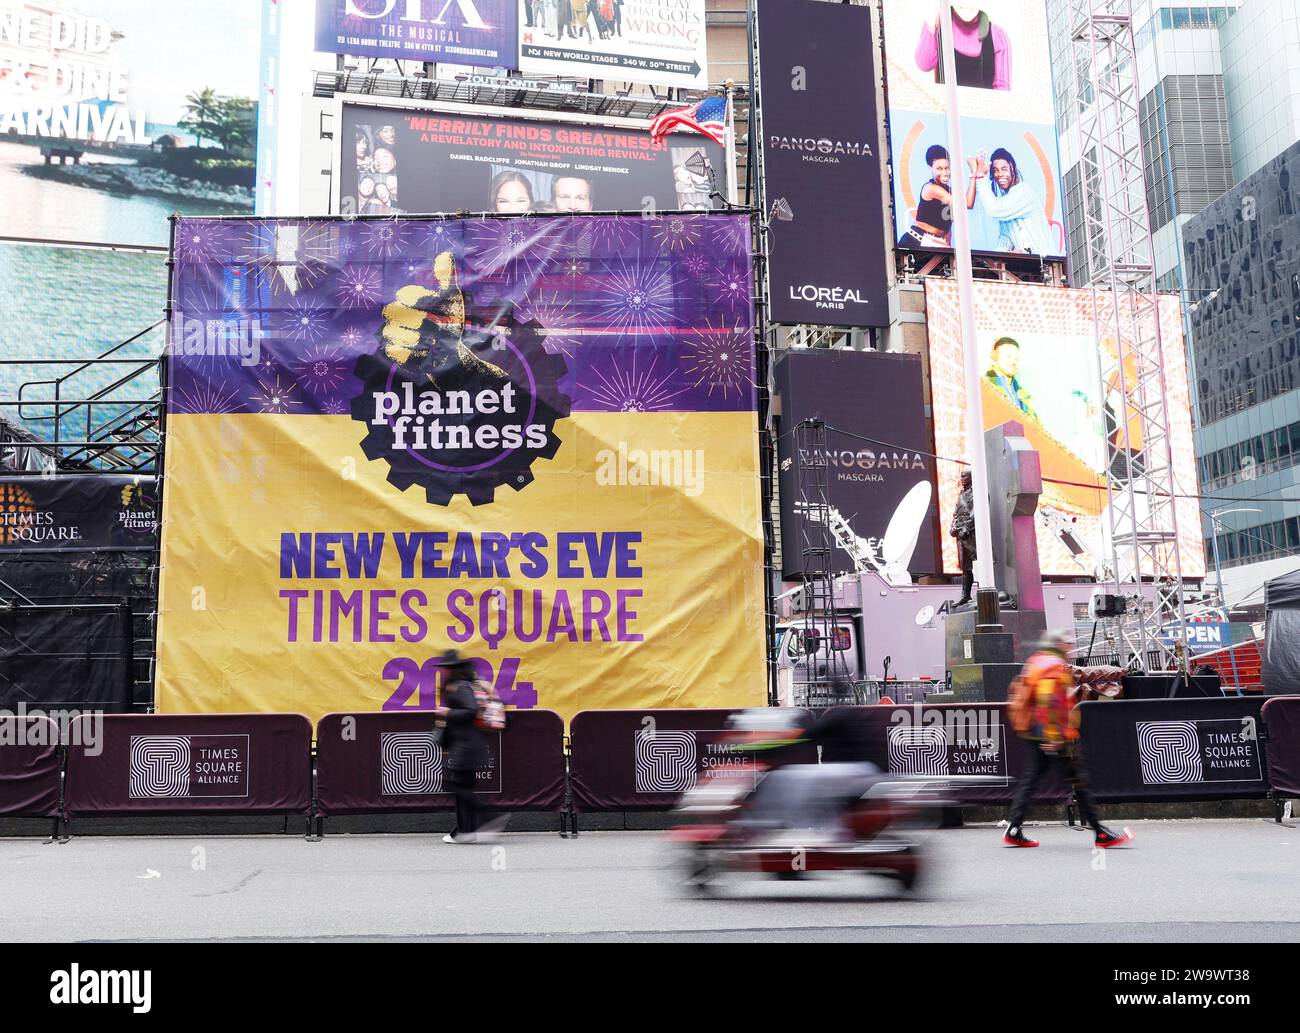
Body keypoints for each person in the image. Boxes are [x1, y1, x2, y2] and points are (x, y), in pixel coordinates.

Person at [1003, 630, 1133, 849]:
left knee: (1032, 780)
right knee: (1080, 781)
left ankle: (1014, 828)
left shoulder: (1036, 661)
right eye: (1067, 643)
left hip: (1033, 731)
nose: (1070, 647)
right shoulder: (1053, 666)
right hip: (1052, 734)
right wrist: (1054, 736)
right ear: (1059, 645)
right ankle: (1101, 833)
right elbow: (1050, 702)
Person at [434, 649, 488, 844]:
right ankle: (466, 831)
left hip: (467, 747)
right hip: (466, 745)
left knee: (452, 785)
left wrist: (448, 712)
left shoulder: (460, 687)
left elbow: (471, 711)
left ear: (455, 669)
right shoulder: (459, 685)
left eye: (447, 668)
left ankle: (488, 817)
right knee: (463, 788)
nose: (444, 672)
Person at [972, 148, 1055, 255]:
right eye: (996, 170)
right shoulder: (1006, 202)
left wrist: (980, 176)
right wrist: (987, 261)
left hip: (1046, 265)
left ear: (1013, 169)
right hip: (1032, 267)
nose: (1000, 174)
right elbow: (1005, 241)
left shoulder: (1023, 192)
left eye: (1004, 169)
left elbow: (994, 209)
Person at [915, 4, 1012, 91]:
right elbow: (924, 65)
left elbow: (1002, 90)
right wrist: (931, 24)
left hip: (982, 108)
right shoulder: (938, 23)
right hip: (946, 107)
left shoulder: (998, 36)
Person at [899, 144, 974, 248]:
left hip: (935, 244)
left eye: (947, 168)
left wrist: (949, 249)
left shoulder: (949, 191)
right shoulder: (931, 189)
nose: (944, 172)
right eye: (939, 168)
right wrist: (973, 174)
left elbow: (947, 227)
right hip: (916, 241)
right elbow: (968, 204)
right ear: (930, 167)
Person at [984, 336, 1036, 418]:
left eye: (1016, 358)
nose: (1013, 362)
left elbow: (1035, 425)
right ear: (994, 356)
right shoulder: (984, 387)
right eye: (1008, 356)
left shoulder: (1024, 395)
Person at [950, 469, 976, 606]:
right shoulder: (961, 494)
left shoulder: (976, 491)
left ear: (972, 477)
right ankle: (965, 595)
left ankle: (986, 590)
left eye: (964, 476)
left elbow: (976, 511)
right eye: (961, 476)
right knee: (965, 566)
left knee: (979, 561)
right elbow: (956, 513)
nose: (962, 478)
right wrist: (953, 526)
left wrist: (968, 527)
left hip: (972, 533)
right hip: (960, 534)